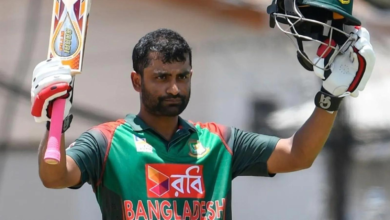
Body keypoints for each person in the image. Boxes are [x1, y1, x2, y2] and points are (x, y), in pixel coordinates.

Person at [31, 3, 375, 220]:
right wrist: (54, 120)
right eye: (161, 78)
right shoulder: (106, 143)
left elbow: (298, 155)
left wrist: (330, 97)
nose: (174, 89)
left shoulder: (220, 142)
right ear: (137, 81)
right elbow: (54, 176)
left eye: (182, 77)